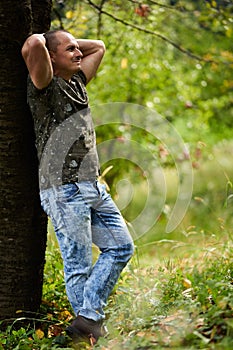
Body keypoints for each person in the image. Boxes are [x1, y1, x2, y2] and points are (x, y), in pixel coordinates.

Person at [21, 30, 134, 345]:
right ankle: (86, 336)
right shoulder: (44, 86)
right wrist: (49, 43)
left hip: (92, 187)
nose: (78, 53)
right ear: (53, 57)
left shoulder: (77, 83)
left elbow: (99, 45)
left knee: (121, 246)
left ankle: (88, 320)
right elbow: (33, 44)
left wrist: (66, 45)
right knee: (79, 266)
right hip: (63, 190)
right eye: (69, 49)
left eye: (76, 48)